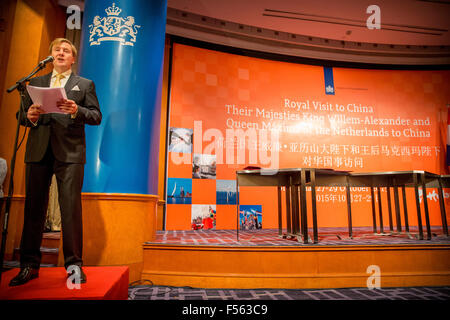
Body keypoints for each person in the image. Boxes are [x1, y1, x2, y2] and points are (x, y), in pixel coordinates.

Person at [9, 38, 102, 286]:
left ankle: (73, 266)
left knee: (70, 209)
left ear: (73, 58)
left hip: (70, 153)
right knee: (33, 209)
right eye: (56, 50)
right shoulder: (36, 83)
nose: (61, 53)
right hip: (38, 151)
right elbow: (22, 115)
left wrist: (76, 110)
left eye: (66, 50)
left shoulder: (84, 84)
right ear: (50, 56)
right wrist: (28, 116)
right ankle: (29, 265)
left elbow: (95, 116)